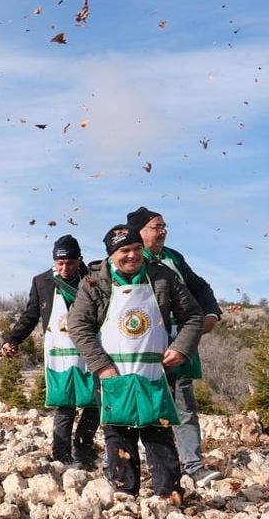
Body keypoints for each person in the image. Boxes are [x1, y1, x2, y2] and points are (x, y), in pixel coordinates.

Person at [67, 226, 203, 500]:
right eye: (124, 251)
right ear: (111, 255)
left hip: (155, 371)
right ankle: (125, 496)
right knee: (118, 432)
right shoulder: (94, 282)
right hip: (112, 372)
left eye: (137, 250)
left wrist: (181, 349)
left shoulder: (162, 277)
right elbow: (77, 324)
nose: (132, 256)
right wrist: (101, 365)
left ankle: (168, 495)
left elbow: (193, 316)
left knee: (158, 429)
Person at [126, 206, 223, 486]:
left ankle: (193, 465)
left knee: (183, 401)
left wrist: (210, 313)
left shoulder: (173, 258)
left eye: (164, 226)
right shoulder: (127, 261)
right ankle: (131, 466)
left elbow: (199, 286)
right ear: (139, 232)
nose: (163, 231)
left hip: (176, 340)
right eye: (157, 227)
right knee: (139, 404)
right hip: (138, 346)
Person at [1, 235, 99, 468]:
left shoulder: (93, 279)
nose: (65, 269)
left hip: (91, 349)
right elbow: (31, 315)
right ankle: (61, 454)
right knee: (65, 403)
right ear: (54, 261)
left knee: (94, 402)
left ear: (80, 260)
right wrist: (12, 340)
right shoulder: (42, 282)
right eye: (60, 263)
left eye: (71, 263)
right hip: (60, 351)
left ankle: (84, 449)